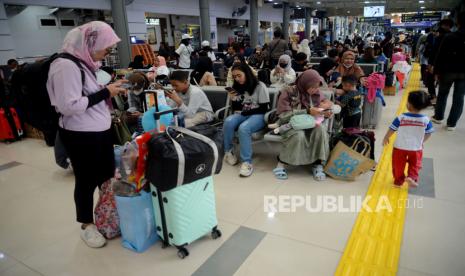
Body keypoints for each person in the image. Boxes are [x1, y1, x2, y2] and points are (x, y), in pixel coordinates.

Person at [46, 21, 127, 248]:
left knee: (105, 175)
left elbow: (89, 95)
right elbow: (69, 105)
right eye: (106, 48)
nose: (107, 53)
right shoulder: (65, 66)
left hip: (100, 132)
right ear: (90, 43)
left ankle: (105, 215)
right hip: (81, 135)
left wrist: (111, 89)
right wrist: (105, 93)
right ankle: (86, 225)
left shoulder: (85, 64)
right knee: (86, 181)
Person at [272, 69, 333, 181]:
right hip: (291, 124)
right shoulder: (289, 92)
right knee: (298, 135)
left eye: (317, 87)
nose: (316, 90)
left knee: (320, 131)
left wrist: (325, 112)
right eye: (313, 87)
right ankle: (282, 162)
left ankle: (317, 163)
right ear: (305, 83)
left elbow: (325, 104)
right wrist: (307, 111)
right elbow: (283, 115)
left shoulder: (316, 93)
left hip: (310, 123)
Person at [223, 63, 270, 177]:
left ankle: (246, 162)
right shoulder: (237, 86)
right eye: (234, 76)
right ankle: (228, 152)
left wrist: (245, 112)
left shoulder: (260, 86)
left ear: (247, 73)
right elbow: (238, 109)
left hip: (259, 115)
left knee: (244, 128)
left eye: (239, 75)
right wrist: (234, 99)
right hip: (244, 113)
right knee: (228, 121)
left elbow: (264, 108)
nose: (237, 79)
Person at [383, 91, 433, 188]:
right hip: (416, 148)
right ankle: (412, 177)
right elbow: (429, 133)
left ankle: (398, 182)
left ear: (409, 104)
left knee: (398, 165)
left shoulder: (401, 117)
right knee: (415, 164)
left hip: (399, 147)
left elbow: (392, 129)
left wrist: (386, 137)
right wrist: (422, 141)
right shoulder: (426, 120)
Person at [432, 12, 465, 131]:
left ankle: (439, 116)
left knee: (442, 94)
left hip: (447, 71)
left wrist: (436, 71)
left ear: (458, 23)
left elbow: (440, 56)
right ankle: (452, 124)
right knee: (459, 97)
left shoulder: (450, 37)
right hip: (463, 73)